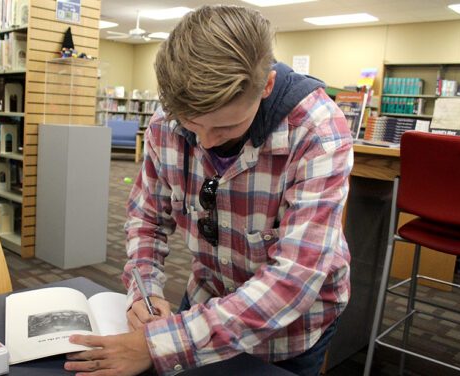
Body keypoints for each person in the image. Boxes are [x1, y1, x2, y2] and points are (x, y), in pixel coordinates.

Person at [65, 5, 352, 376]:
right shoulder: (164, 123)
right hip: (208, 296)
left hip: (290, 328)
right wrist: (144, 290)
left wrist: (159, 344)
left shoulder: (318, 132)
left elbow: (294, 276)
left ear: (265, 86)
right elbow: (147, 219)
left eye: (226, 128)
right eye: (191, 124)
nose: (204, 142)